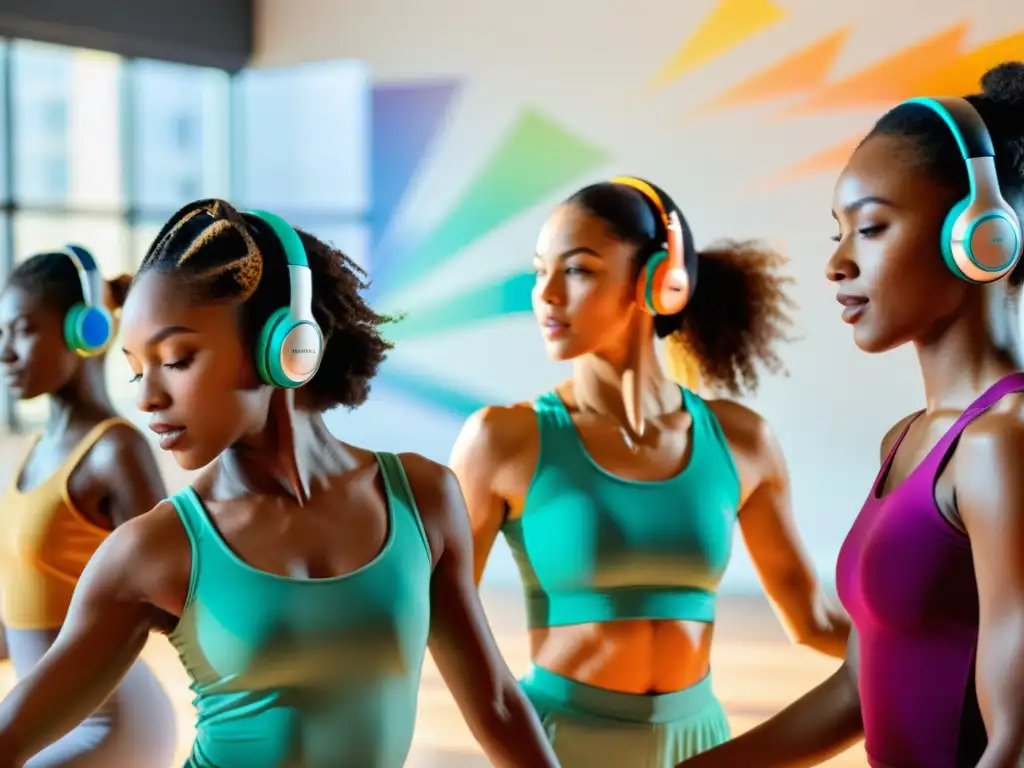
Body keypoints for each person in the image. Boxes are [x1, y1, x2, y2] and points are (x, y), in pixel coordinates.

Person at [0, 200, 561, 768]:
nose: (146, 397)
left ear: (284, 345)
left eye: (176, 358)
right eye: (137, 368)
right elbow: (13, 732)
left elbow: (495, 703)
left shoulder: (424, 498)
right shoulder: (152, 550)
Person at [681, 62, 1024, 768]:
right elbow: (856, 691)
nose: (836, 263)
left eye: (870, 228)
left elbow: (1015, 740)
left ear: (982, 234)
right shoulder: (907, 441)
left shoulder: (1003, 444)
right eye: (836, 231)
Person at [449, 176, 852, 768]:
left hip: (703, 746)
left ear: (660, 280)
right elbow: (437, 620)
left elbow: (813, 620)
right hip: (557, 749)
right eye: (540, 272)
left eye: (578, 270)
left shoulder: (743, 441)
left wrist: (952, 657)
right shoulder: (502, 439)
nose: (547, 295)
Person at [0, 247, 176, 767]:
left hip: (109, 721)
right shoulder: (34, 453)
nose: (5, 352)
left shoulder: (115, 450)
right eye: (1, 334)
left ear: (87, 331)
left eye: (23, 330)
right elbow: (22, 621)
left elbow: (174, 598)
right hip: (40, 720)